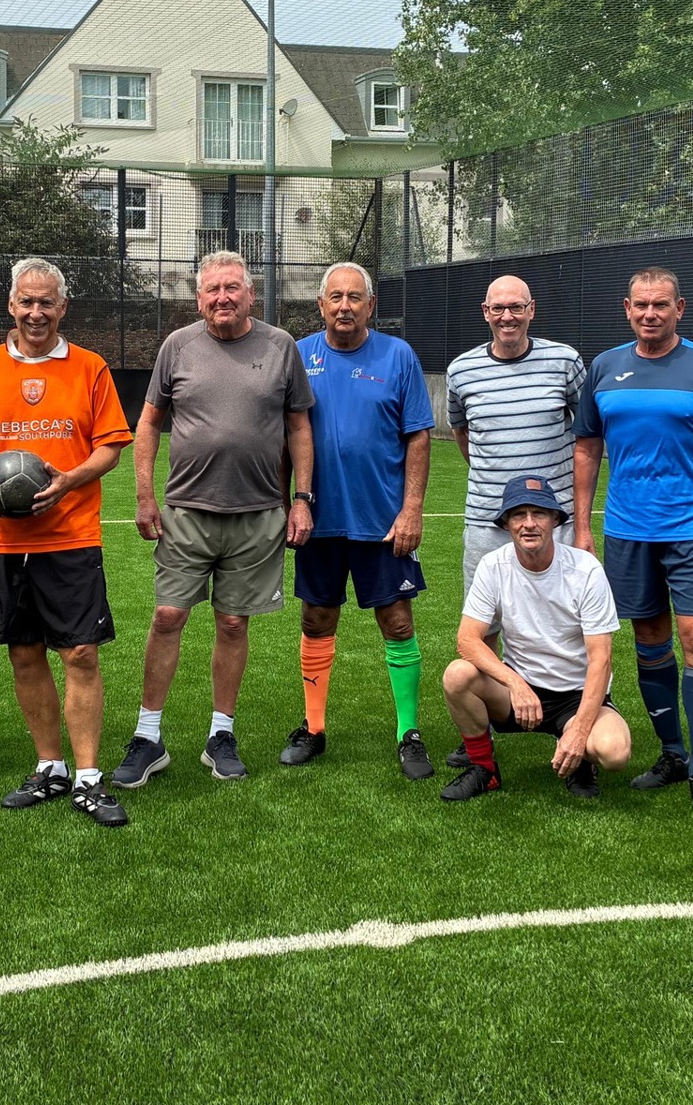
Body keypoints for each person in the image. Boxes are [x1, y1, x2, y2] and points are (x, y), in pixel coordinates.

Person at [114, 250, 315, 787]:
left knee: (232, 623)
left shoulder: (281, 347)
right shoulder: (177, 346)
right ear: (198, 298)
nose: (222, 298)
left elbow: (298, 427)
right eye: (212, 290)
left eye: (232, 288)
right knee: (167, 617)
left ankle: (220, 735)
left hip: (256, 516)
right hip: (186, 512)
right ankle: (148, 736)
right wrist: (144, 495)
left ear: (250, 294)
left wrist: (302, 498)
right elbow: (150, 422)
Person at [0, 258, 133, 828]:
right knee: (24, 651)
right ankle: (49, 766)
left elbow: (110, 447)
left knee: (79, 652)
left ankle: (87, 777)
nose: (36, 312)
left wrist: (66, 484)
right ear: (11, 306)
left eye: (47, 302)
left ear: (62, 308)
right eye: (26, 302)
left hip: (70, 535)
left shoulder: (90, 368)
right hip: (1, 540)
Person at [572, 266, 693, 820]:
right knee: (649, 640)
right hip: (627, 529)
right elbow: (586, 448)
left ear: (681, 308)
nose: (650, 313)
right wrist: (583, 526)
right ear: (626, 308)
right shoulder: (604, 368)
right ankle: (672, 754)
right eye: (640, 305)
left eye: (661, 305)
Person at [281, 262, 436, 779]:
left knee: (396, 621)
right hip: (318, 520)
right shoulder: (299, 356)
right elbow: (285, 435)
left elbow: (417, 436)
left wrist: (411, 508)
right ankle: (314, 727)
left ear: (371, 305)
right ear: (321, 305)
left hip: (383, 521)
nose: (344, 306)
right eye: (335, 297)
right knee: (316, 618)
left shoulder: (399, 355)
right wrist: (290, 502)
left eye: (355, 297)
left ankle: (408, 733)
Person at [440, 475, 631, 801]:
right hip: (519, 692)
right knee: (457, 675)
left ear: (555, 520)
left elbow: (601, 659)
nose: (529, 524)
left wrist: (580, 730)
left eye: (539, 513)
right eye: (518, 515)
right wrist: (515, 683)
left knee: (615, 753)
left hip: (576, 695)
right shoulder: (493, 565)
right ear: (506, 523)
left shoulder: (586, 570)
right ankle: (484, 770)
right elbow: (468, 640)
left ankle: (580, 756)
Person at [446, 274, 584, 592]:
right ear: (485, 311)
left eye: (516, 307)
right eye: (498, 308)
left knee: (560, 621)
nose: (507, 317)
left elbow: (587, 433)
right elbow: (462, 432)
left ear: (531, 310)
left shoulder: (565, 361)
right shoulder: (461, 371)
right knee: (484, 623)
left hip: (555, 518)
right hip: (487, 519)